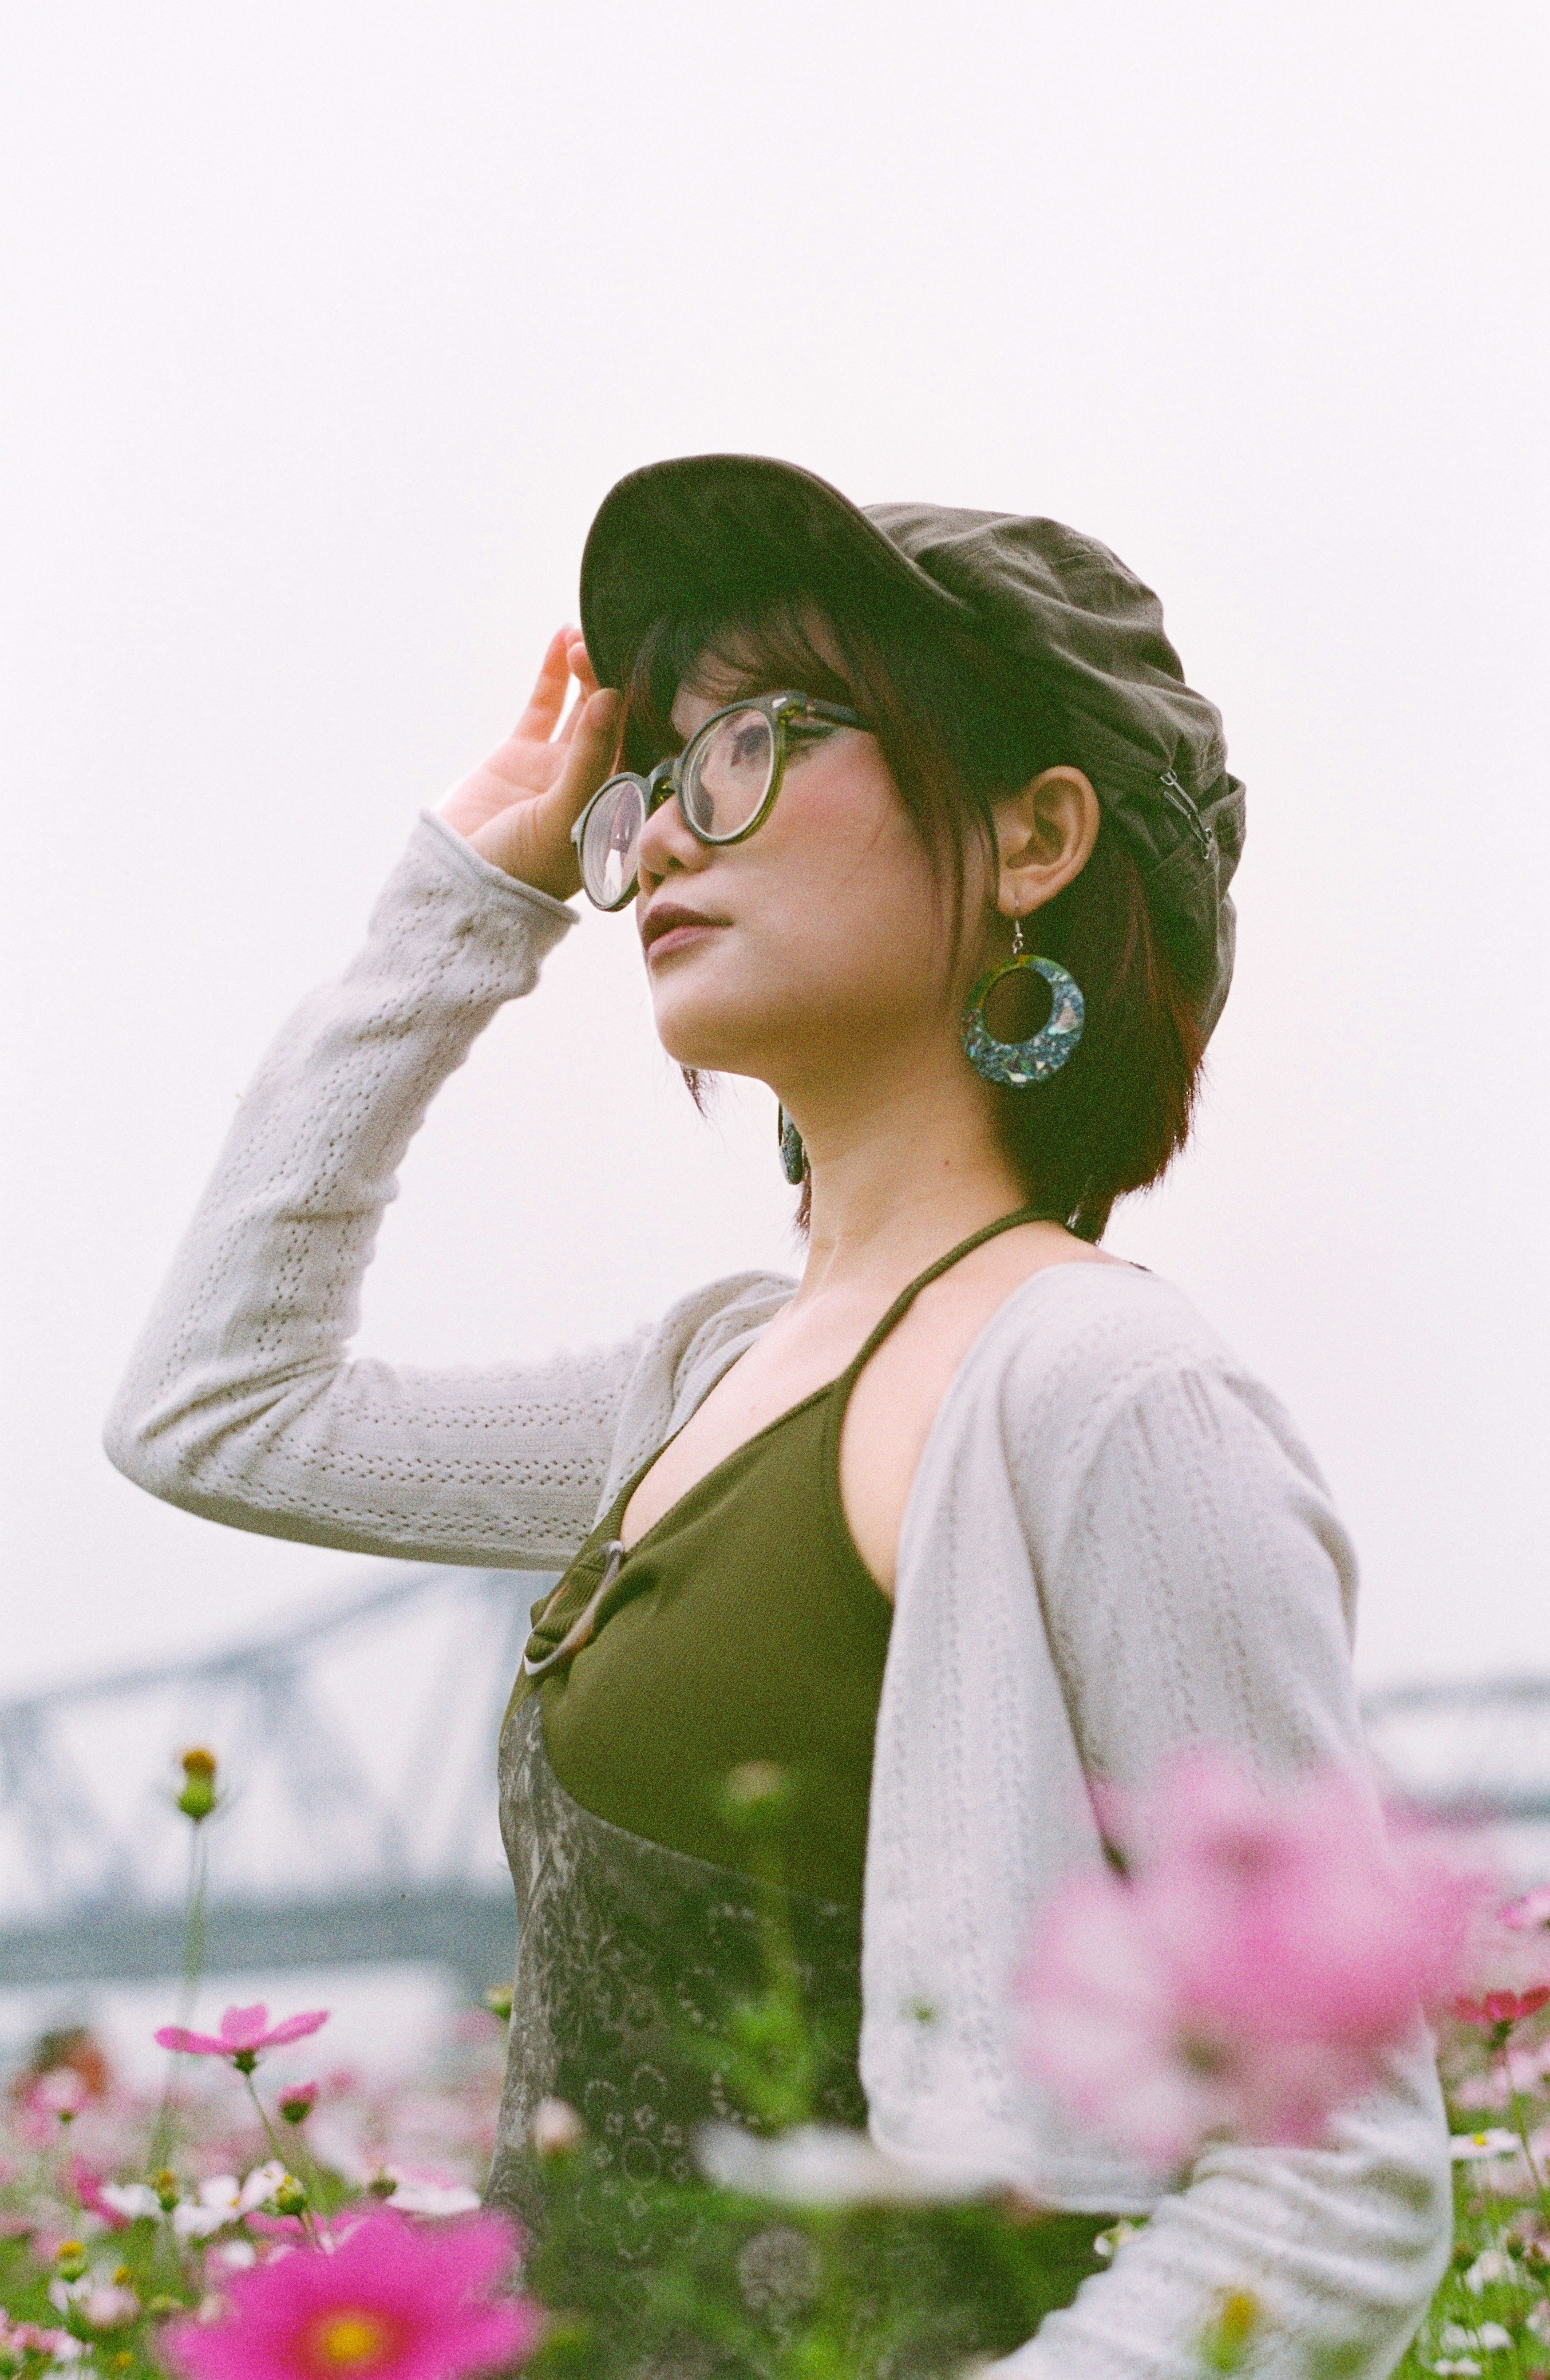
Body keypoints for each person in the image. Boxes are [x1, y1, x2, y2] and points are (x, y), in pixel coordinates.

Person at [104, 454, 1449, 2376]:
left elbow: (1333, 2182)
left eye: (751, 746)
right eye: (651, 782)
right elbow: (212, 1410)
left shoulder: (1101, 1400)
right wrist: (469, 896)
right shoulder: (709, 1381)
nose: (655, 837)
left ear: (1037, 830)